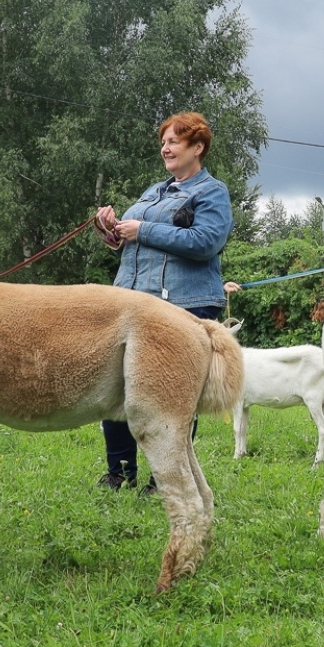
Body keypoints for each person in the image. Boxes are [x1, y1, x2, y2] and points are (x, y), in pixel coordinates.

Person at [95, 112, 233, 493]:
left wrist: (143, 229)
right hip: (129, 303)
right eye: (163, 141)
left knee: (171, 396)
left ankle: (165, 479)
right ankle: (120, 473)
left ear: (197, 147)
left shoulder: (211, 192)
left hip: (183, 306)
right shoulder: (153, 191)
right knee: (119, 390)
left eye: (174, 141)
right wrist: (113, 231)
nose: (165, 148)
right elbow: (135, 242)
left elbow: (206, 242)